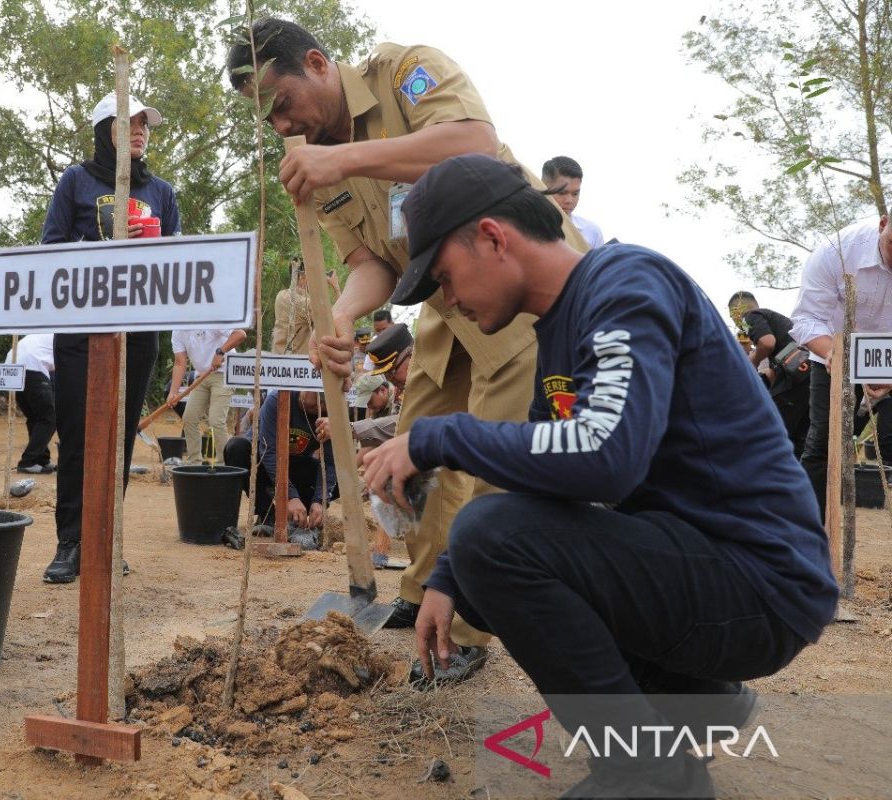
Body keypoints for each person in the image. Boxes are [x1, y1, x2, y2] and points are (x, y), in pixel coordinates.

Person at [362, 154, 836, 795]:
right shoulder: (560, 330)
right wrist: (449, 578)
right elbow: (541, 481)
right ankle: (691, 696)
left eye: (444, 279)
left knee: (490, 536)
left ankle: (647, 773)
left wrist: (439, 436)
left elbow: (606, 458)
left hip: (760, 582)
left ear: (494, 238)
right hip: (703, 566)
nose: (448, 303)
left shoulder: (624, 283)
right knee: (485, 547)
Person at [227, 18, 590, 682]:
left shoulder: (403, 74)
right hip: (446, 305)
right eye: (267, 119)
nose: (281, 126)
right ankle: (423, 593)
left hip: (515, 284)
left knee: (494, 461)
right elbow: (375, 264)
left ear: (317, 63)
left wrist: (339, 158)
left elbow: (474, 145)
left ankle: (471, 625)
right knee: (413, 453)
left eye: (283, 104)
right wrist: (338, 316)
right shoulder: (318, 163)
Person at [41, 91, 180, 584]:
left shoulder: (162, 192)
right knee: (79, 436)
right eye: (130, 123)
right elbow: (50, 247)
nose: (141, 130)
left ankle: (107, 540)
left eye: (145, 124)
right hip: (81, 332)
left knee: (119, 437)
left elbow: (175, 265)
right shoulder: (76, 181)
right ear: (105, 131)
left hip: (138, 334)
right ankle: (71, 542)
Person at [791, 216, 892, 520]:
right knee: (825, 442)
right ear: (883, 223)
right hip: (834, 355)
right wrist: (836, 354)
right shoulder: (836, 251)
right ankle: (806, 531)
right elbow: (807, 319)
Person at [223, 390, 337, 530]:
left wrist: (320, 500)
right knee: (236, 447)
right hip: (264, 463)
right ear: (304, 387)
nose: (321, 405)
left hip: (297, 467)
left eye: (326, 403)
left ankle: (300, 515)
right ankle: (267, 513)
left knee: (342, 480)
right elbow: (270, 452)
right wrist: (290, 496)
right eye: (319, 399)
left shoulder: (331, 414)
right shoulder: (278, 398)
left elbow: (330, 462)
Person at [728, 290, 811, 457]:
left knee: (771, 430)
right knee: (797, 439)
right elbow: (748, 348)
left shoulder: (749, 317)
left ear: (736, 314)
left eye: (733, 318)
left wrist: (753, 360)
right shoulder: (776, 321)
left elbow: (767, 344)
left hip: (796, 374)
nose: (737, 324)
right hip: (808, 376)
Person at [168, 327, 247, 464]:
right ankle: (194, 463)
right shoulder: (178, 331)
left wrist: (220, 352)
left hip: (225, 373)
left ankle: (225, 465)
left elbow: (240, 334)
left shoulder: (210, 317)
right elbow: (180, 363)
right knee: (189, 417)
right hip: (202, 376)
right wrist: (173, 392)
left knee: (216, 420)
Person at [6, 334, 57, 474]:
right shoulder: (64, 336)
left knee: (36, 417)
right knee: (49, 418)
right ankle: (28, 462)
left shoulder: (44, 334)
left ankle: (42, 460)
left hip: (11, 370)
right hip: (31, 367)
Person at [542, 155, 605, 248]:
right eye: (562, 193)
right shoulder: (525, 227)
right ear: (543, 186)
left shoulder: (591, 231)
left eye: (575, 194)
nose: (569, 201)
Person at [271, 258, 312, 355]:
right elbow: (329, 318)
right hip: (295, 363)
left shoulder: (282, 295)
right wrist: (336, 288)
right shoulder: (298, 300)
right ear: (302, 278)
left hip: (282, 360)